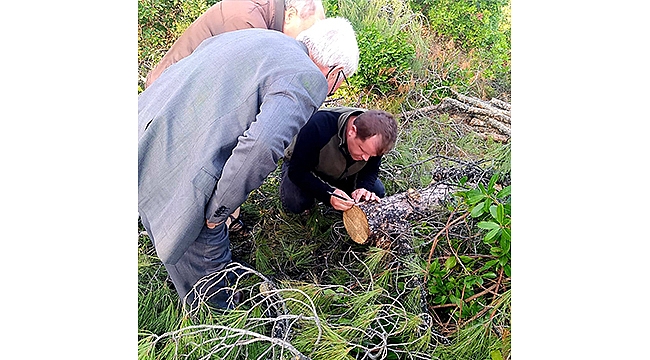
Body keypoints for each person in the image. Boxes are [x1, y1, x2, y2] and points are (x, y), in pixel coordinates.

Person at [138, 17, 359, 309]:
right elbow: (261, 145)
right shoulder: (308, 77)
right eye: (341, 82)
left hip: (144, 133)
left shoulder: (260, 38)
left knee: (161, 223)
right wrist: (219, 212)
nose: (334, 89)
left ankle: (178, 269)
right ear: (336, 71)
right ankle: (214, 329)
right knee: (210, 272)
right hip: (182, 173)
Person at [144, 0, 326, 88]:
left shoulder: (262, 19)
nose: (302, 42)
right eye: (304, 33)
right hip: (166, 91)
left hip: (178, 91)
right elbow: (240, 87)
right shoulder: (247, 21)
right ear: (290, 15)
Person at [280, 107, 398, 214]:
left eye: (371, 155)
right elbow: (297, 171)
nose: (365, 158)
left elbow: (370, 170)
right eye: (362, 150)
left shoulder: (378, 139)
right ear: (352, 131)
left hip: (344, 172)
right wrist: (327, 194)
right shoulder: (319, 125)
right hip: (306, 166)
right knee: (296, 202)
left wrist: (363, 188)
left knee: (377, 191)